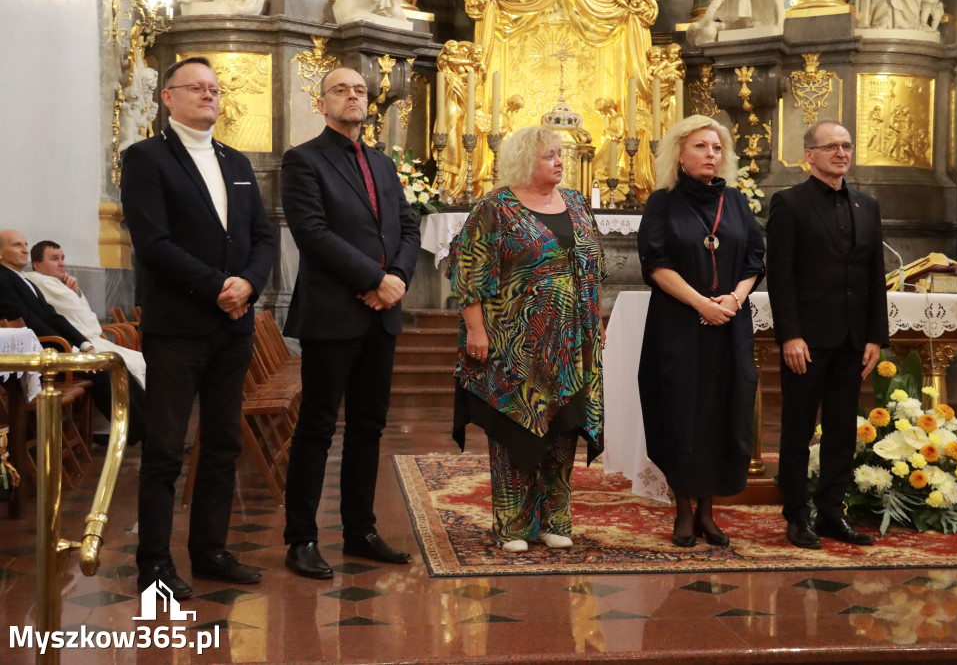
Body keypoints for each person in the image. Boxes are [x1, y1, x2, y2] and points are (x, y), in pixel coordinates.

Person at [121, 56, 277, 599]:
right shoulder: (145, 159)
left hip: (233, 326)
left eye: (215, 88)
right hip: (179, 326)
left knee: (223, 443)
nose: (210, 95)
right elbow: (153, 244)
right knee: (166, 448)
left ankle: (210, 550)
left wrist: (249, 285)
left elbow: (263, 238)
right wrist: (218, 286)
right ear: (168, 97)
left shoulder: (235, 161)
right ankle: (155, 564)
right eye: (198, 87)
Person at [281, 65, 420, 578]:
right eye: (341, 90)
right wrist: (372, 279)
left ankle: (360, 530)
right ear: (322, 103)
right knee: (317, 428)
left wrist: (398, 278)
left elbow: (407, 224)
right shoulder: (303, 160)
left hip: (382, 314)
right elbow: (312, 233)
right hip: (333, 314)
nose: (352, 97)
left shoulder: (382, 164)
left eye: (360, 90)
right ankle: (301, 538)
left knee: (368, 427)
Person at [448, 125, 607, 552]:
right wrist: (476, 329)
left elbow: (592, 266)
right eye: (549, 156)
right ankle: (513, 525)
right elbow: (468, 273)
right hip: (514, 345)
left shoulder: (575, 203)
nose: (559, 161)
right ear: (524, 161)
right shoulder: (495, 208)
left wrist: (595, 319)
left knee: (565, 430)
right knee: (516, 432)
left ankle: (556, 519)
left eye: (559, 154)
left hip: (573, 345)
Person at [636, 115, 765, 548]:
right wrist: (700, 304)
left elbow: (755, 259)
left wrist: (733, 300)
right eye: (701, 147)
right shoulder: (662, 203)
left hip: (728, 323)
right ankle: (682, 511)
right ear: (679, 153)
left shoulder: (737, 201)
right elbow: (654, 264)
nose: (711, 154)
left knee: (722, 411)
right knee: (680, 413)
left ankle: (709, 511)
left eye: (716, 148)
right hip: (678, 326)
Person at [766, 118, 888, 549]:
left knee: (842, 431)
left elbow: (874, 276)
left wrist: (875, 337)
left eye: (847, 146)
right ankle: (797, 517)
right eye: (832, 146)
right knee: (798, 431)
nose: (842, 153)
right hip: (809, 340)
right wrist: (790, 335)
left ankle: (833, 513)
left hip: (854, 339)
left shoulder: (867, 206)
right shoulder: (789, 203)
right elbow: (780, 277)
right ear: (809, 155)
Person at [0, 229, 149, 446]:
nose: (24, 249)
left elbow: (54, 317)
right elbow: (31, 324)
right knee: (105, 369)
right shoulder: (3, 281)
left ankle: (142, 428)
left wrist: (84, 345)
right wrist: (72, 351)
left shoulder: (23, 280)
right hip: (42, 355)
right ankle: (134, 432)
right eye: (16, 245)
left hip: (55, 348)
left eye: (25, 244)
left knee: (112, 364)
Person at [26, 240, 146, 389]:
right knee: (133, 363)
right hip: (78, 343)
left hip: (88, 339)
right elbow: (88, 321)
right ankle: (136, 410)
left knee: (139, 360)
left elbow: (85, 316)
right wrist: (72, 292)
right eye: (54, 259)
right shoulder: (42, 281)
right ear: (37, 265)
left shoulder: (54, 282)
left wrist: (74, 290)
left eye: (62, 258)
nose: (62, 263)